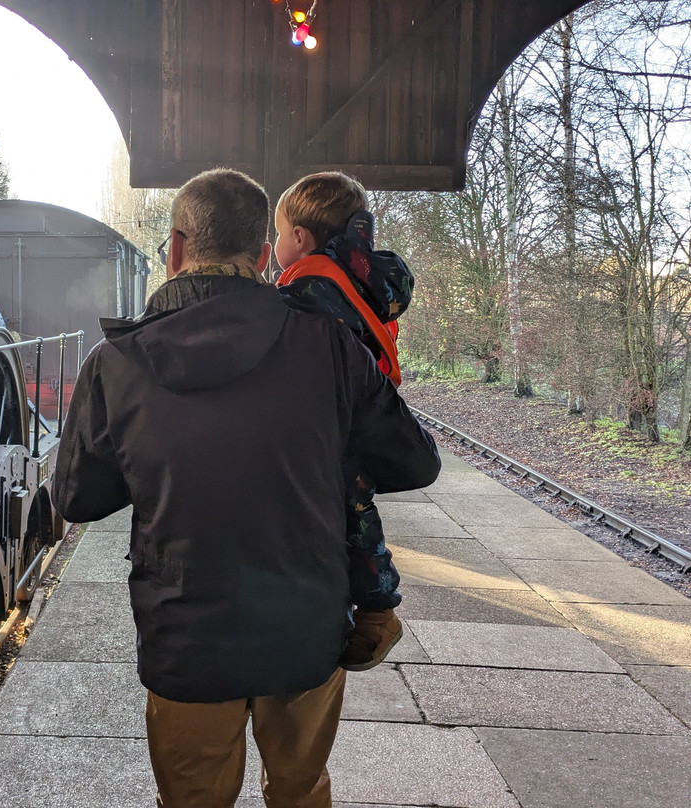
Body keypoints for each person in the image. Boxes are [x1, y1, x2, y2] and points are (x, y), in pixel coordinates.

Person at [52, 168, 440, 808]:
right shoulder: (330, 344)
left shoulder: (114, 364)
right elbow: (414, 463)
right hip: (306, 628)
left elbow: (78, 499)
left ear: (176, 249)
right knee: (301, 791)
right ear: (263, 256)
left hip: (188, 638)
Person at [274, 171, 414, 671]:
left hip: (334, 417)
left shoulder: (309, 286)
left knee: (349, 514)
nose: (273, 247)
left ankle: (379, 613)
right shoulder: (368, 275)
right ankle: (375, 610)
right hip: (366, 408)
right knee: (357, 508)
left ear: (299, 238)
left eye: (276, 233)